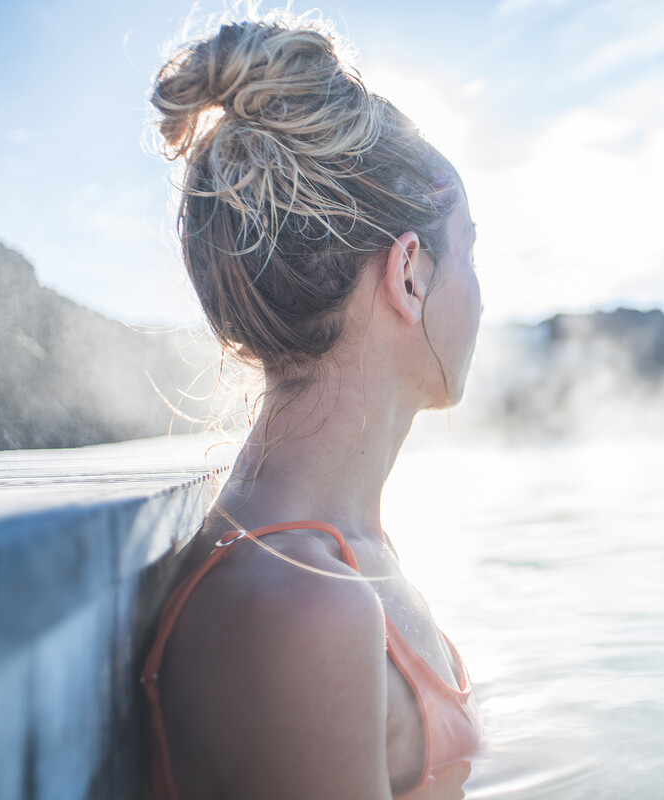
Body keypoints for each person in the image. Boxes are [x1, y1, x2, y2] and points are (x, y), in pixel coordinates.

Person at [139, 15, 484, 800]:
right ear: (410, 275)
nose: (482, 297)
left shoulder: (339, 549)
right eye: (469, 250)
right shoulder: (299, 607)